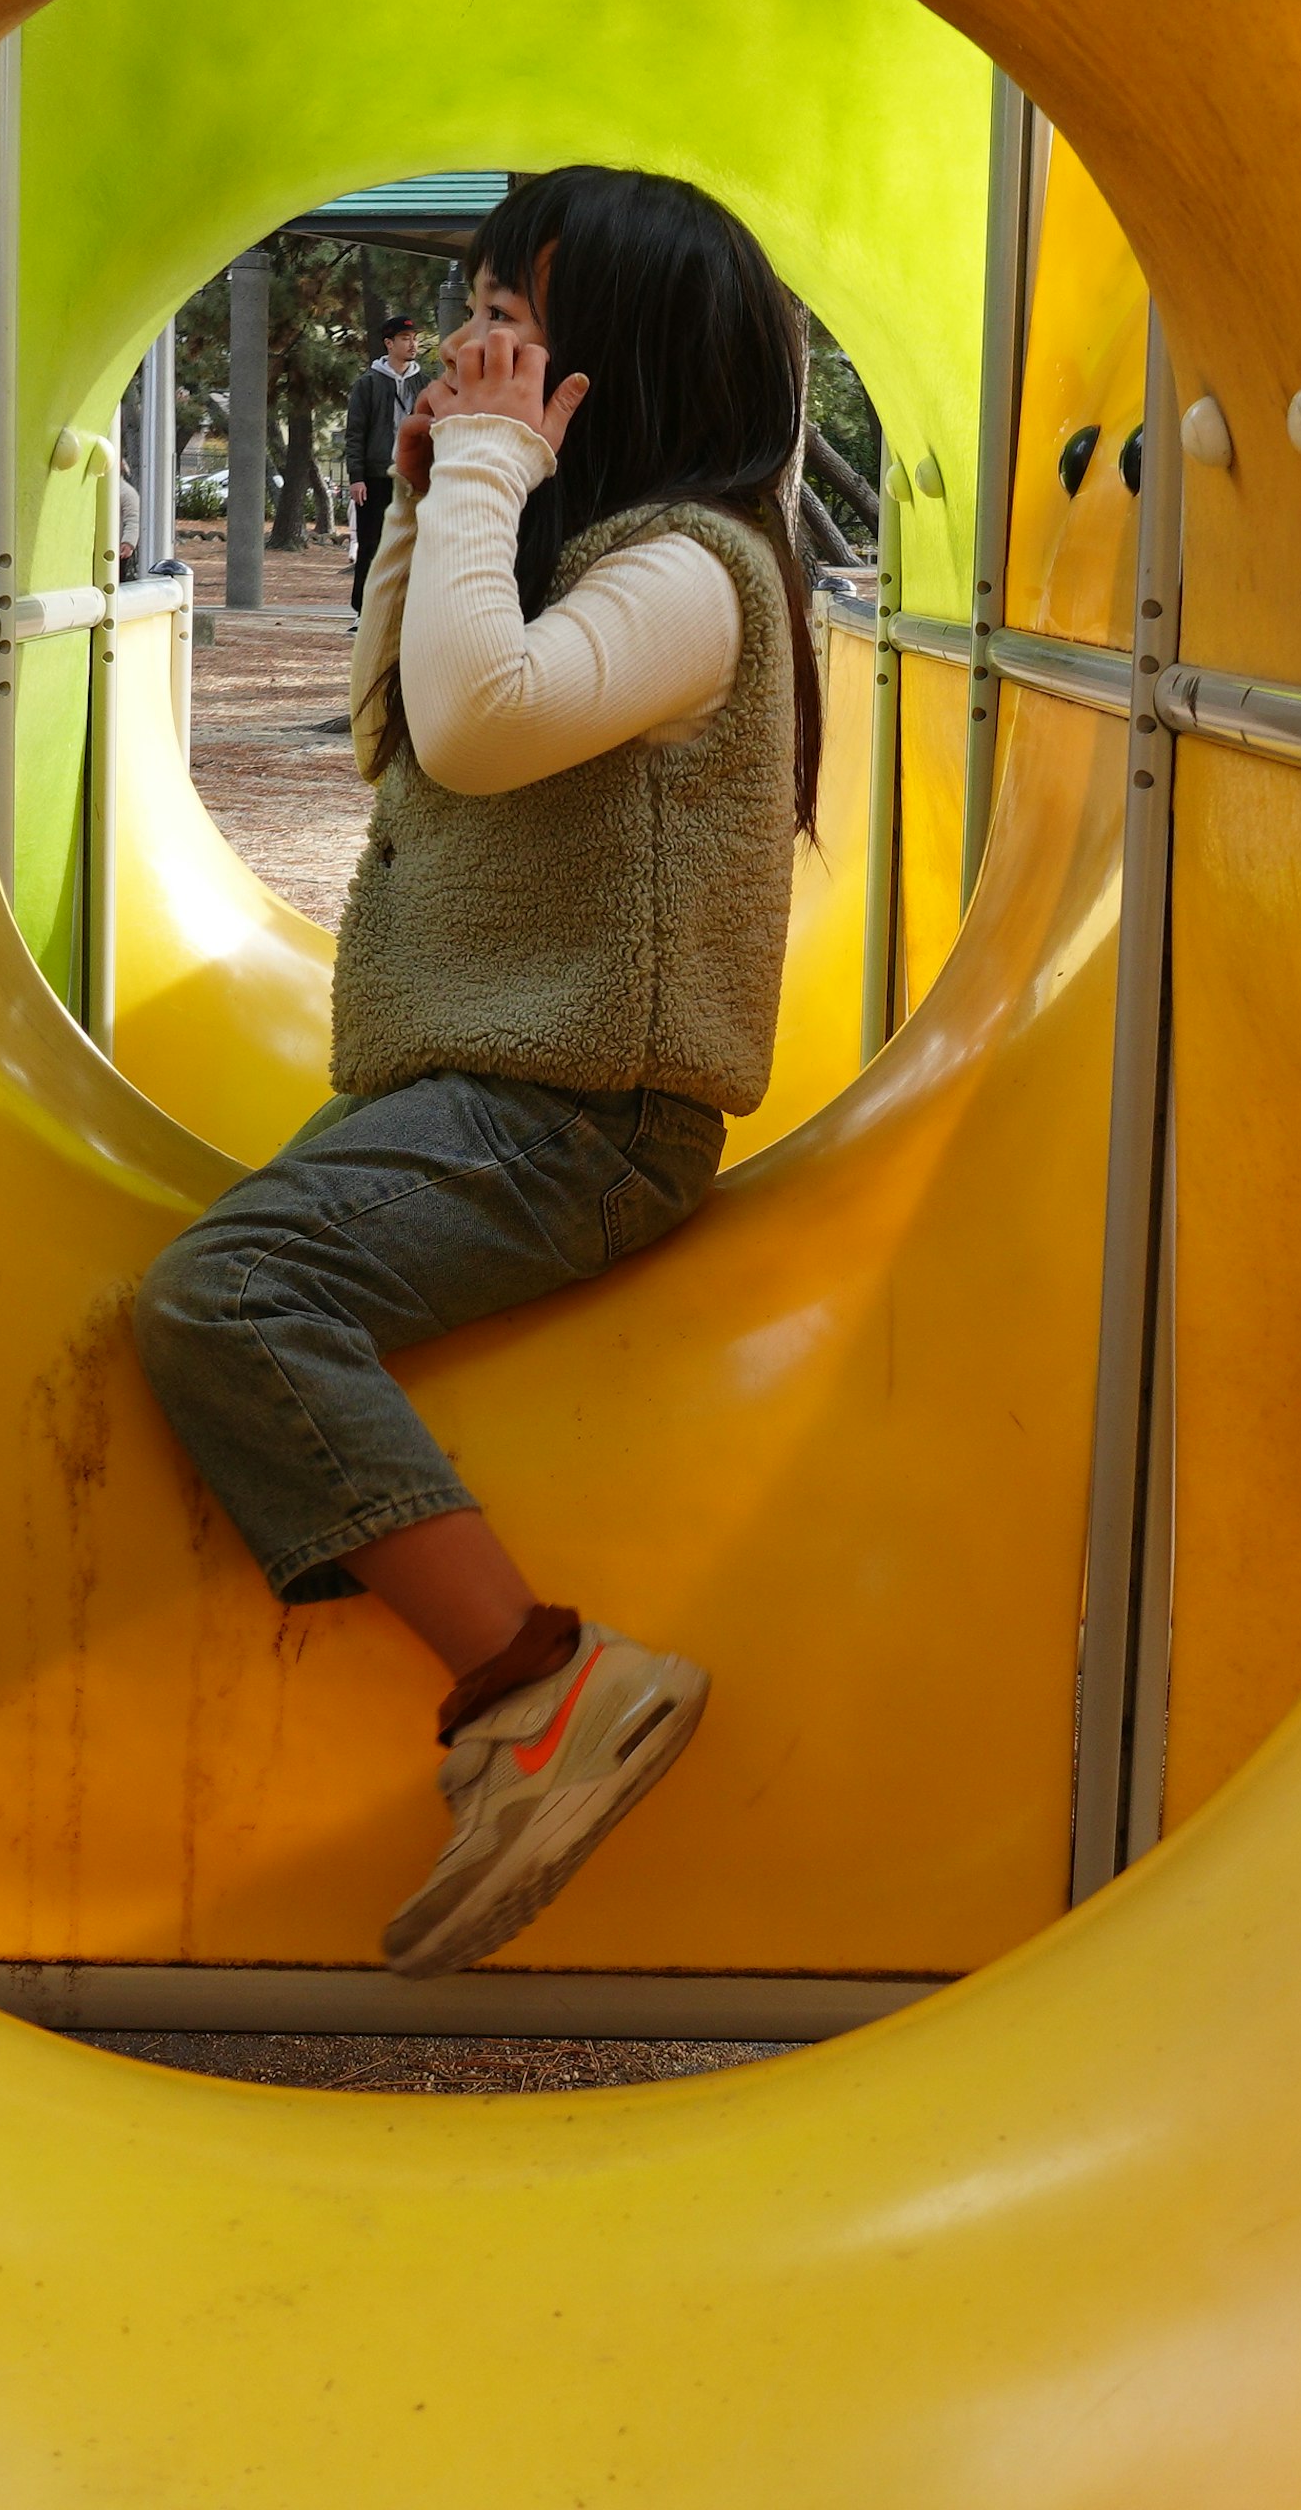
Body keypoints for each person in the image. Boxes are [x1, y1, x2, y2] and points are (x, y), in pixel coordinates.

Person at [131, 168, 825, 1978]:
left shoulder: (693, 573)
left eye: (509, 326)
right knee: (245, 1255)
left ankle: (543, 1684)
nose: (465, 353)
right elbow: (392, 727)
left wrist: (493, 481)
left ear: (619, 365)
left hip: (581, 1122)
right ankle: (530, 1693)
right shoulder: (565, 555)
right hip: (492, 1099)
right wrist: (434, 507)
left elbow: (479, 724)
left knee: (234, 1286)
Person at [342, 310, 426, 607]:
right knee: (371, 544)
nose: (412, 344)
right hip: (377, 476)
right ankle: (362, 609)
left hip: (412, 478)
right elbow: (355, 433)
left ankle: (403, 608)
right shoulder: (368, 384)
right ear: (389, 343)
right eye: (405, 339)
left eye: (414, 338)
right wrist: (357, 477)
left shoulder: (424, 383)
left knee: (413, 546)